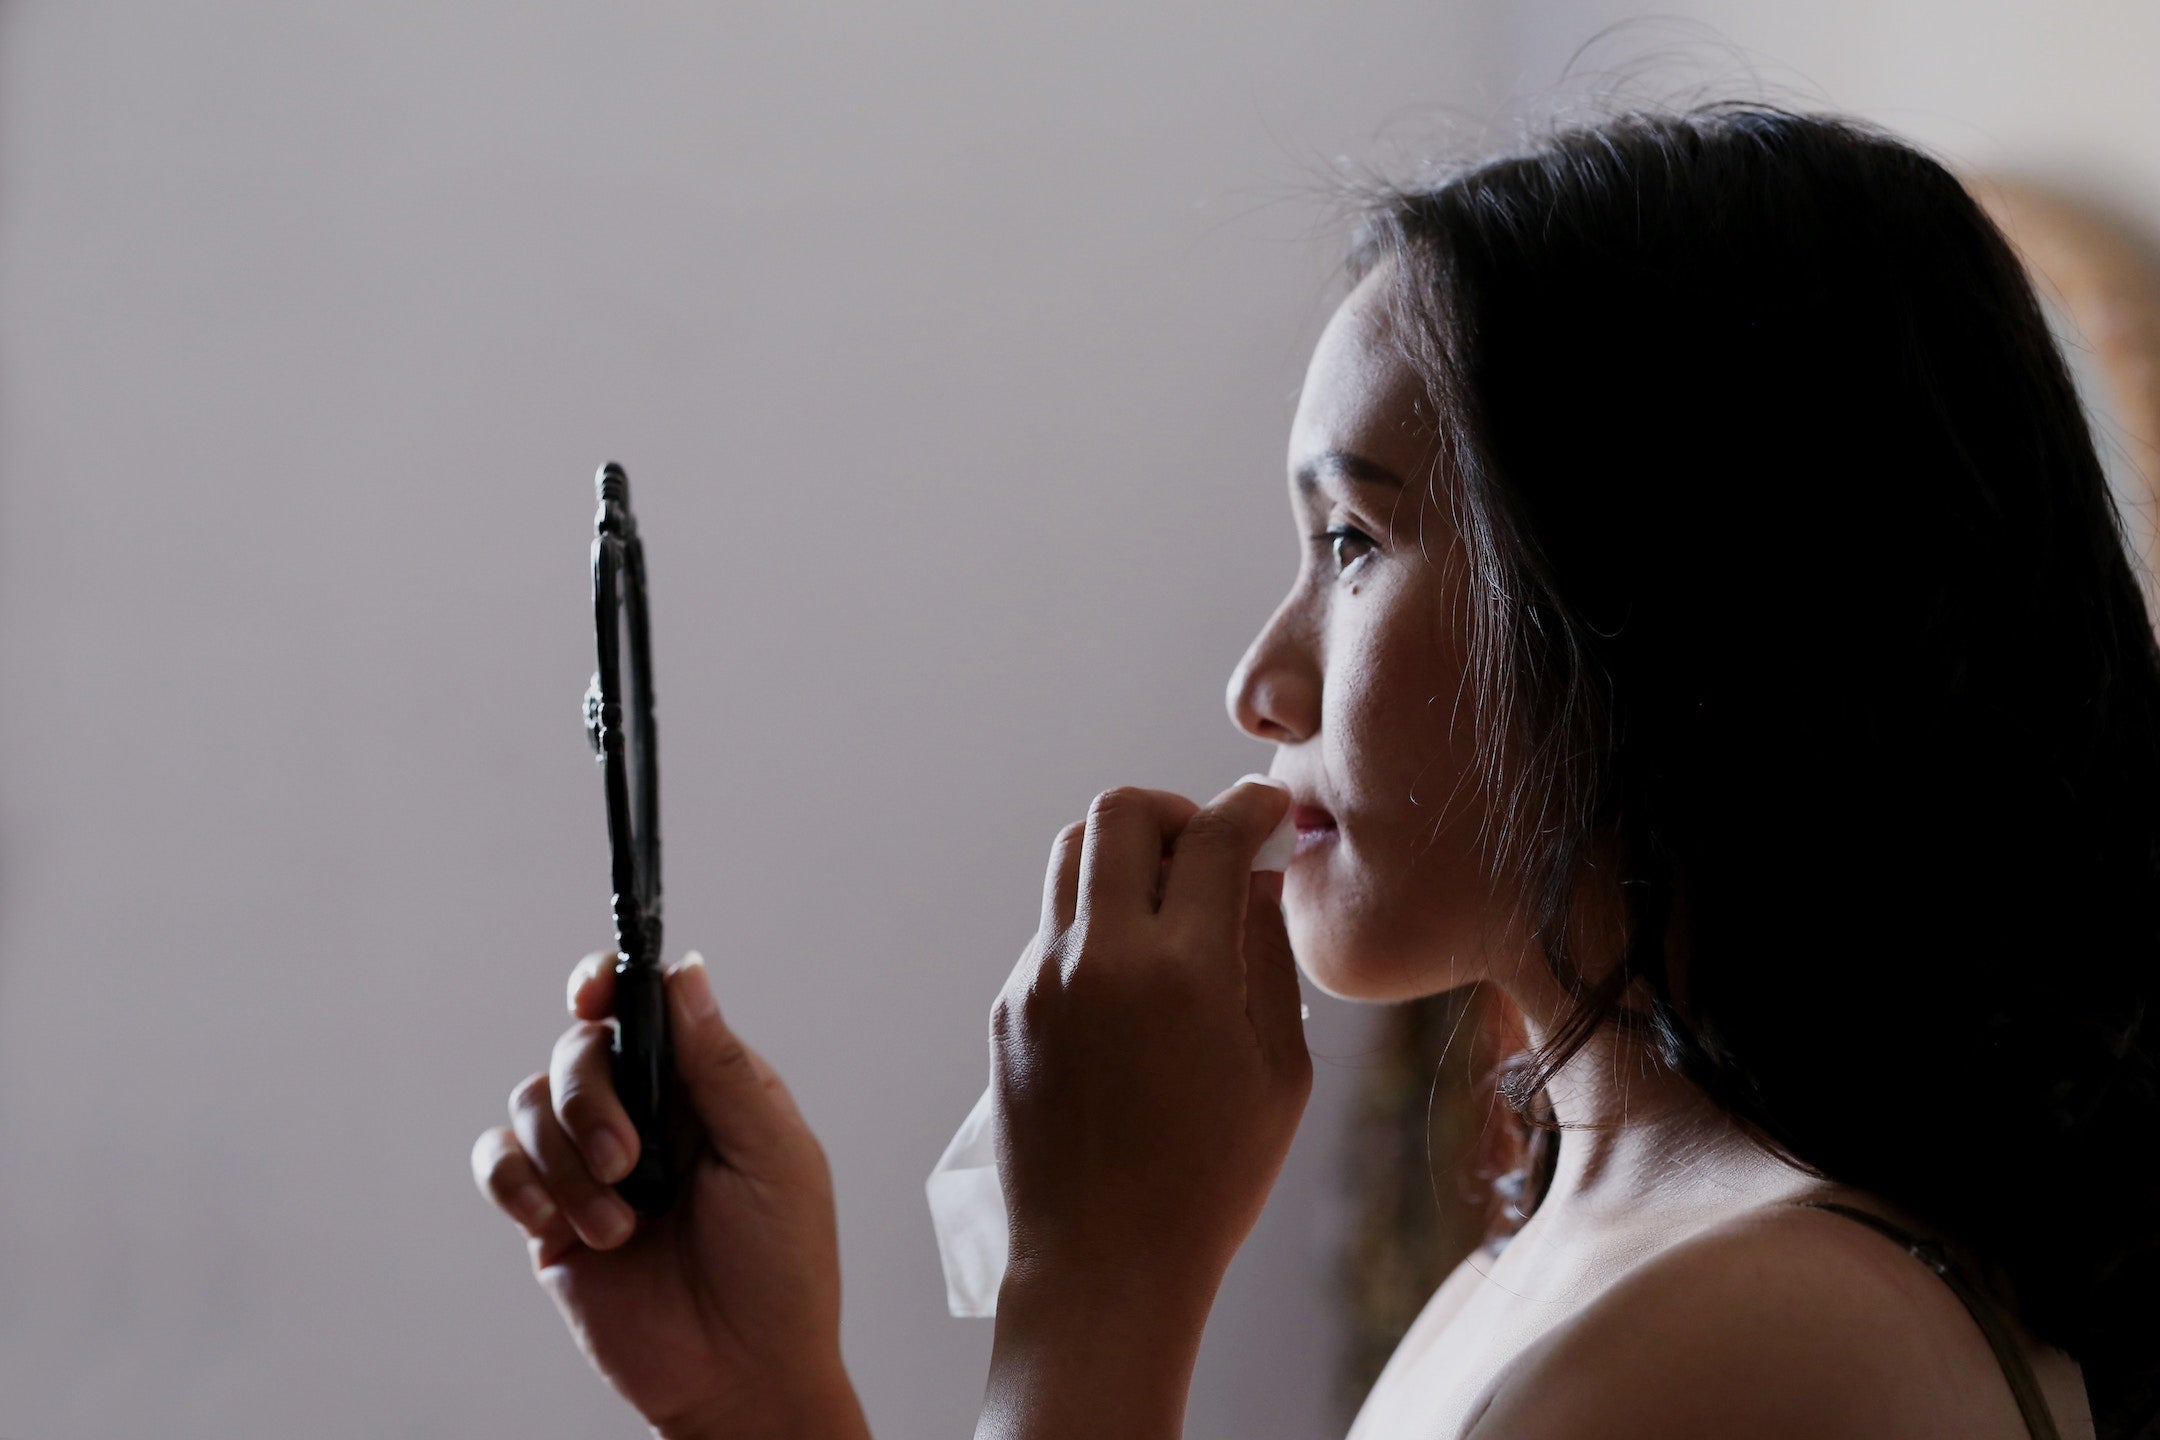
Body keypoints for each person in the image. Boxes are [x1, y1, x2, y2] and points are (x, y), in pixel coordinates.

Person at [470, 104, 2160, 1440]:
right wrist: (761, 1395)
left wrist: (1101, 1281)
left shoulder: (1769, 1338)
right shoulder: (1586, 1261)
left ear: (1665, 601)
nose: (1260, 682)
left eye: (1351, 541)